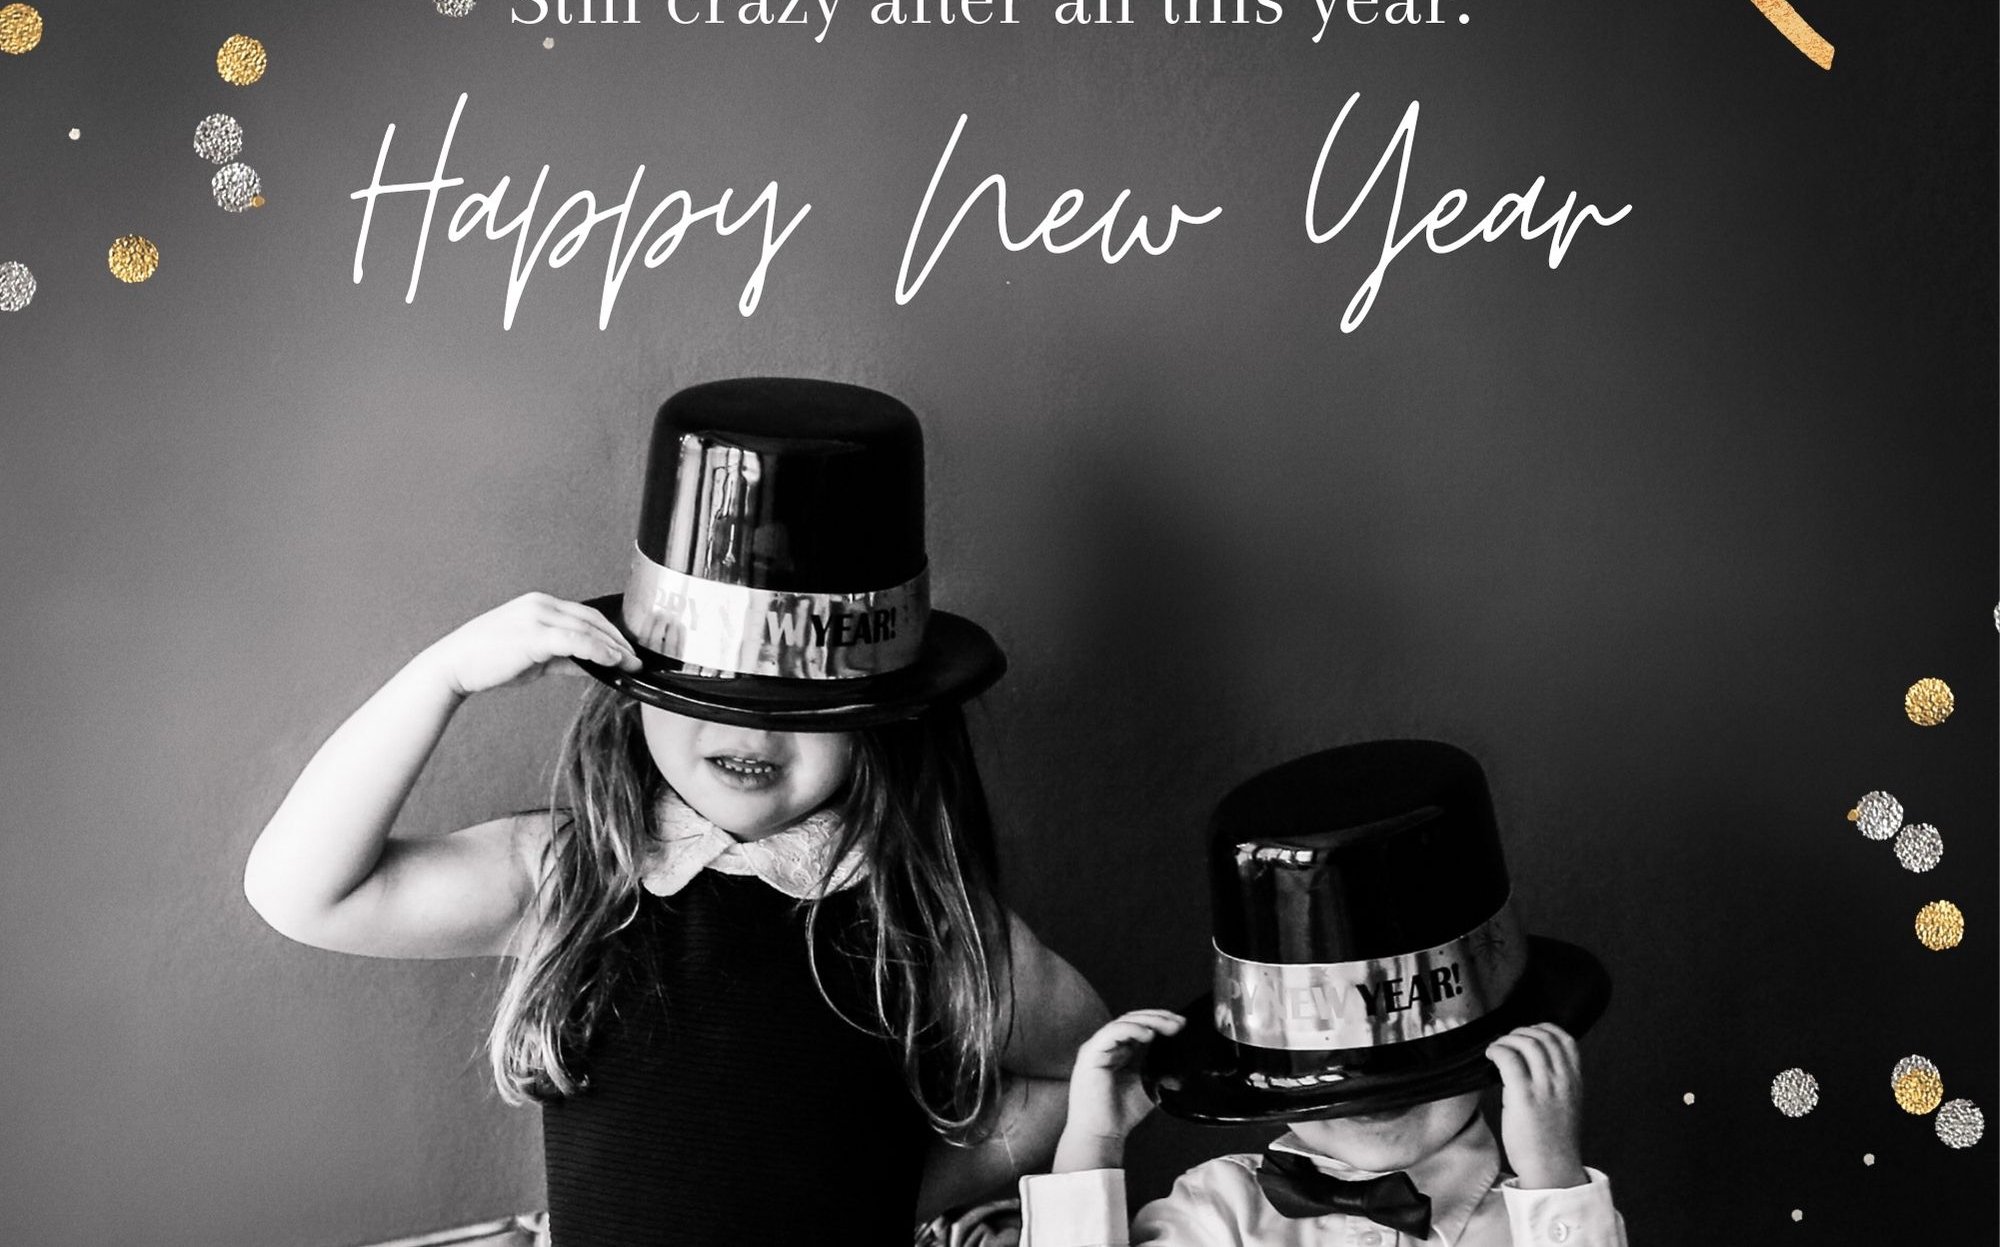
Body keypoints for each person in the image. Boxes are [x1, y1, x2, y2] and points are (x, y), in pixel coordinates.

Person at [244, 377, 1106, 1246]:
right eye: (707, 689)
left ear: (878, 717)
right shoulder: (571, 874)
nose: (752, 725)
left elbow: (1076, 1072)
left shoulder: (923, 918)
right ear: (640, 685)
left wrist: (882, 1196)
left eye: (801, 703)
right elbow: (304, 894)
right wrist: (444, 678)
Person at [1019, 740, 1626, 1246]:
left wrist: (1554, 1183)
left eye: (1410, 1068)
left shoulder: (1547, 1227)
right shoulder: (1217, 1213)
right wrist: (1091, 1149)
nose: (1369, 1098)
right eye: (1336, 1071)